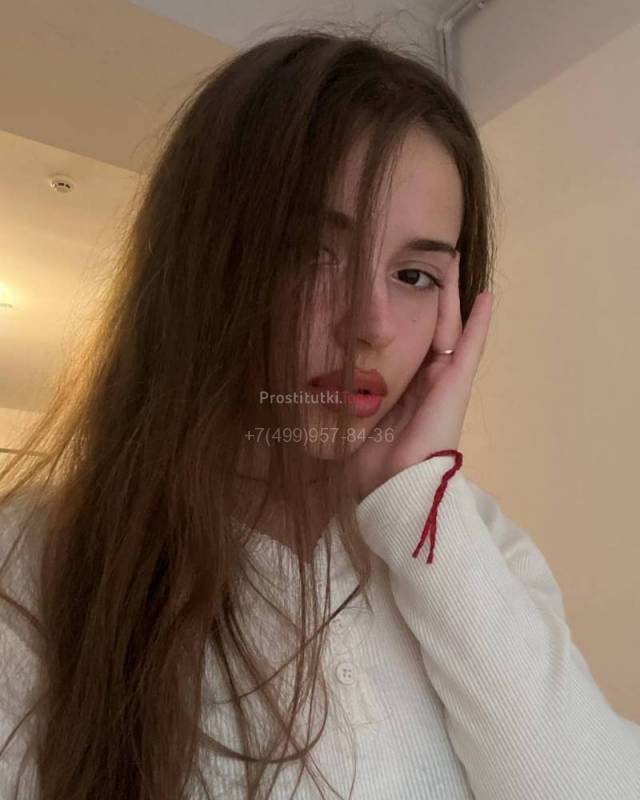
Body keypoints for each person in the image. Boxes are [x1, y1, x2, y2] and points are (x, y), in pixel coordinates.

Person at [1, 24, 638, 800]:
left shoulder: (475, 542)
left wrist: (422, 508)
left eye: (414, 275)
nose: (371, 325)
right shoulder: (35, 564)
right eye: (310, 253)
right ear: (201, 260)